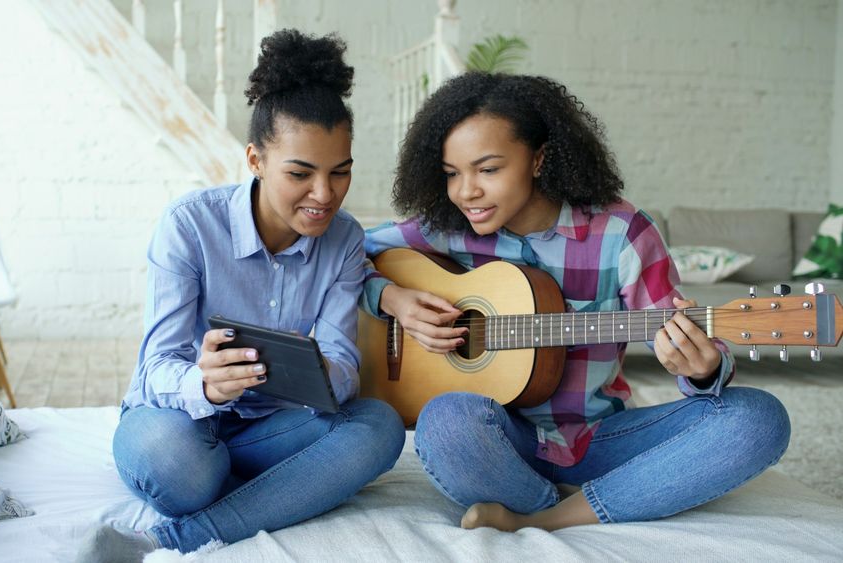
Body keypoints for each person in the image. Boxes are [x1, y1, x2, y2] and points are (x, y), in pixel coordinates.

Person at [361, 72, 790, 532]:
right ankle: (584, 499)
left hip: (599, 438)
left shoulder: (622, 232)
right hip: (504, 440)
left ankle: (551, 516)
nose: (467, 191)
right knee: (444, 420)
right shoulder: (445, 227)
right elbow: (347, 252)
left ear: (539, 159)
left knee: (758, 418)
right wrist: (393, 297)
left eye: (488, 169)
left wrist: (701, 369)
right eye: (451, 174)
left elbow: (685, 333)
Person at [77, 30, 405, 561]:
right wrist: (203, 385)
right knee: (174, 465)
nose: (324, 195)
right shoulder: (188, 226)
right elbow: (156, 367)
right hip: (180, 422)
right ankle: (283, 492)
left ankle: (180, 536)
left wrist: (322, 372)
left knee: (380, 427)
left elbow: (346, 365)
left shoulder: (344, 239)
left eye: (340, 172)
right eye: (300, 173)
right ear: (255, 159)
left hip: (276, 428)